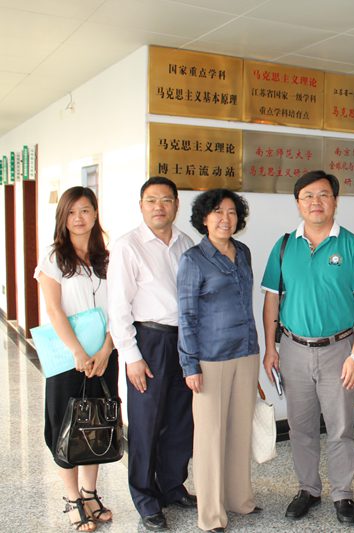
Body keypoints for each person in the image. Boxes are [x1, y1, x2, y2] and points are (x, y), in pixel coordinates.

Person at [261, 170, 354, 525]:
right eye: (308, 196)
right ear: (298, 203)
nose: (316, 202)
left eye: (323, 195)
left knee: (341, 428)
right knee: (301, 427)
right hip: (293, 349)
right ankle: (308, 489)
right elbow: (271, 300)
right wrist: (270, 349)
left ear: (335, 201)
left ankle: (342, 493)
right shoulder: (284, 246)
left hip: (339, 350)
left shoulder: (353, 246)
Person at [108, 177, 196, 531]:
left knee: (181, 420)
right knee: (145, 423)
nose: (159, 206)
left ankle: (172, 486)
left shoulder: (186, 243)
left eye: (166, 200)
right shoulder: (127, 246)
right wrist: (131, 355)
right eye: (151, 200)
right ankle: (145, 498)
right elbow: (118, 307)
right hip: (149, 341)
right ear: (141, 205)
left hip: (184, 342)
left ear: (176, 204)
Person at [177, 189, 261, 532]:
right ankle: (211, 514)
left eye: (231, 212)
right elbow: (186, 316)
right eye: (217, 212)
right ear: (204, 218)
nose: (225, 219)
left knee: (240, 430)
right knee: (210, 437)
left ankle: (239, 499)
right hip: (210, 358)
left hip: (246, 351)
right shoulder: (193, 259)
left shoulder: (243, 252)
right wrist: (190, 365)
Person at [35, 187, 117, 532]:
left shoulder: (108, 259)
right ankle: (72, 499)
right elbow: (54, 310)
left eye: (85, 210)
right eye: (71, 212)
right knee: (66, 425)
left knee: (95, 424)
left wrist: (106, 349)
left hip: (104, 355)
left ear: (95, 214)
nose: (79, 218)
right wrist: (78, 352)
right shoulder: (54, 258)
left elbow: (120, 308)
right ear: (63, 218)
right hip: (69, 358)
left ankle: (90, 493)